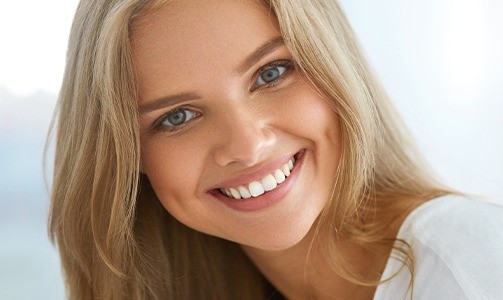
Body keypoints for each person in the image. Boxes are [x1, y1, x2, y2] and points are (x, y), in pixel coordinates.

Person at [48, 0, 503, 299]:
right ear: (129, 160)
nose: (247, 146)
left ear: (333, 64)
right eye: (177, 117)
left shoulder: (472, 264)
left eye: (271, 73)